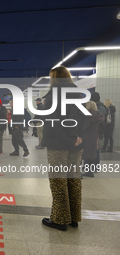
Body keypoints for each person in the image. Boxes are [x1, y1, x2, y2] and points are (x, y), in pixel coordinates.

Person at [41, 66, 85, 231]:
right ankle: (73, 218)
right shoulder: (79, 94)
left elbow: (53, 123)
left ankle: (60, 219)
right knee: (73, 179)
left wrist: (67, 140)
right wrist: (78, 137)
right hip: (77, 143)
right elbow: (82, 119)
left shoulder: (54, 95)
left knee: (58, 180)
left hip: (58, 144)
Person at [81, 101, 104, 178]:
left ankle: (79, 173)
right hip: (93, 136)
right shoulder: (97, 115)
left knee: (80, 154)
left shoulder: (88, 115)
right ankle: (90, 171)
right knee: (90, 154)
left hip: (85, 137)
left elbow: (84, 128)